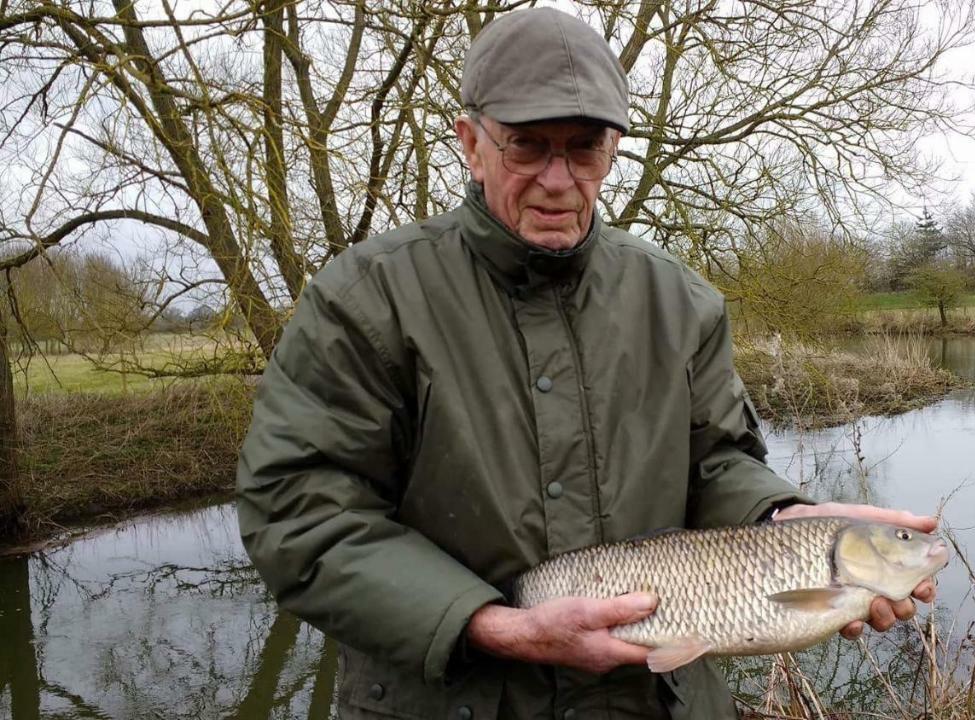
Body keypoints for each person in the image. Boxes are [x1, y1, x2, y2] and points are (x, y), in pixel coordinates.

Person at [237, 7, 938, 719]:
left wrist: (786, 516)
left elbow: (717, 463)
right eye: (527, 147)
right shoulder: (366, 299)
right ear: (471, 145)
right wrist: (490, 625)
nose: (558, 179)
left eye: (584, 148)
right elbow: (297, 512)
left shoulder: (679, 300)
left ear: (612, 151)